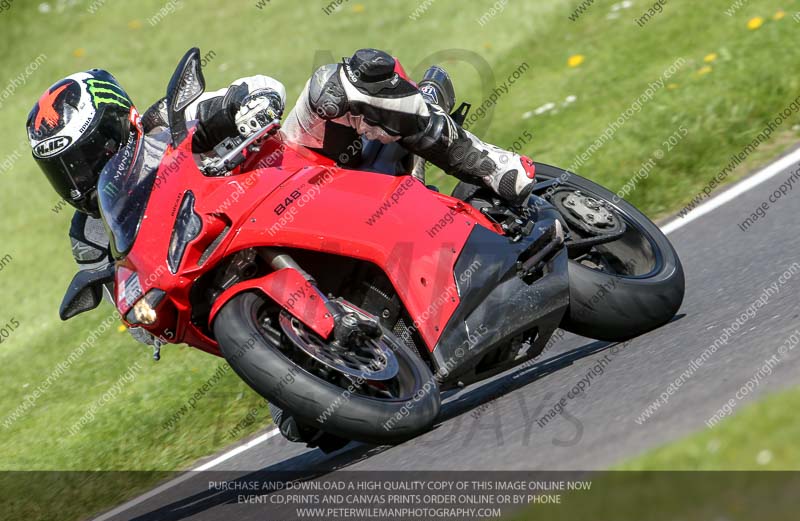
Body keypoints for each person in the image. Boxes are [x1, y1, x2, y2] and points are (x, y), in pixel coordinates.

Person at [25, 48, 536, 451]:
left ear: (120, 122)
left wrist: (249, 107)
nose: (80, 174)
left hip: (292, 178)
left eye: (89, 151)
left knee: (338, 85)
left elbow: (259, 89)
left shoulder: (170, 119)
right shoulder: (91, 234)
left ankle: (490, 165)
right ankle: (309, 353)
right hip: (221, 259)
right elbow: (123, 281)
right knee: (307, 429)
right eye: (64, 167)